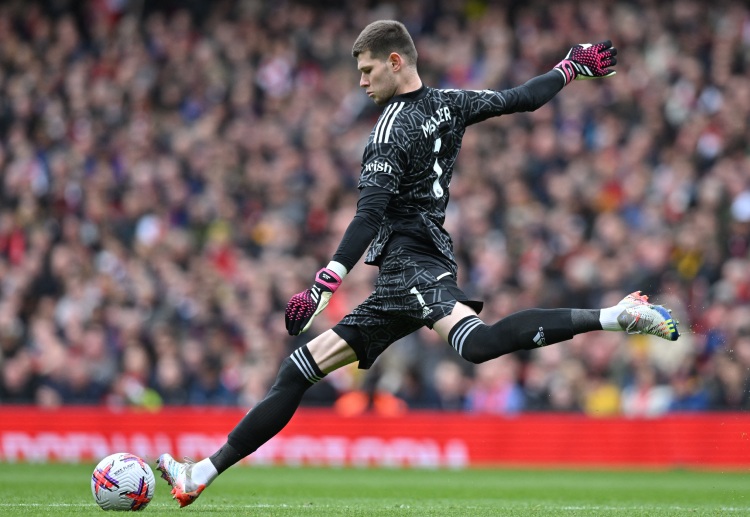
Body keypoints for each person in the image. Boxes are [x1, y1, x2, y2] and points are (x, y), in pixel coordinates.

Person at [156, 20, 679, 507]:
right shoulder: (450, 102)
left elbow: (368, 215)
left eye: (367, 70)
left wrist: (323, 284)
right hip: (411, 268)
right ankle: (199, 474)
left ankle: (617, 315)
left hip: (411, 266)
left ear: (395, 61)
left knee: (477, 344)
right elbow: (523, 99)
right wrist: (569, 68)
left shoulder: (388, 131)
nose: (361, 81)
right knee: (296, 372)